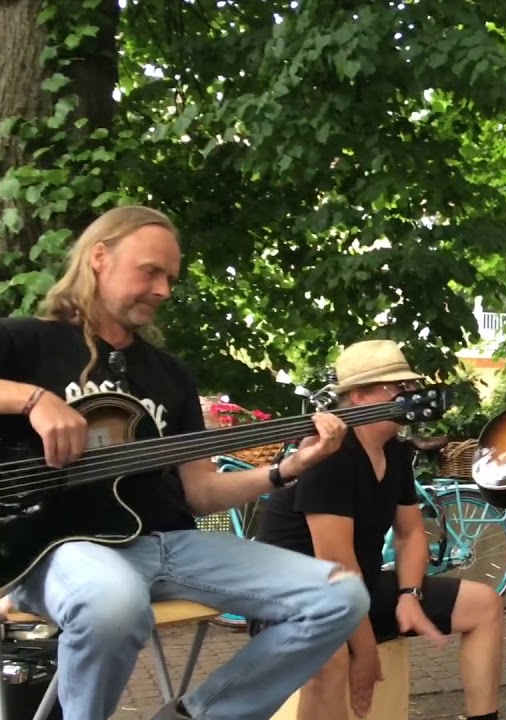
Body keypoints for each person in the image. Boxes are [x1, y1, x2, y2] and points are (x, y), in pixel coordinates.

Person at [0, 206, 370, 720]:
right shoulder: (24, 341)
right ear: (99, 257)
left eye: (170, 278)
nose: (163, 290)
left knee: (340, 597)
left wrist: (287, 470)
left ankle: (197, 715)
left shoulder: (169, 374)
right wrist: (34, 401)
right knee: (114, 602)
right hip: (56, 546)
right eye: (150, 271)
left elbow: (200, 491)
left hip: (168, 545)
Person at [255, 340, 504, 720]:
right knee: (333, 654)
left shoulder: (396, 453)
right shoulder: (327, 456)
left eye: (410, 387)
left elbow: (410, 534)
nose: (410, 395)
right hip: (296, 600)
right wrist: (366, 652)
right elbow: (336, 565)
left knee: (484, 604)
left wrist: (409, 594)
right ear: (358, 395)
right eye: (397, 388)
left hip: (359, 588)